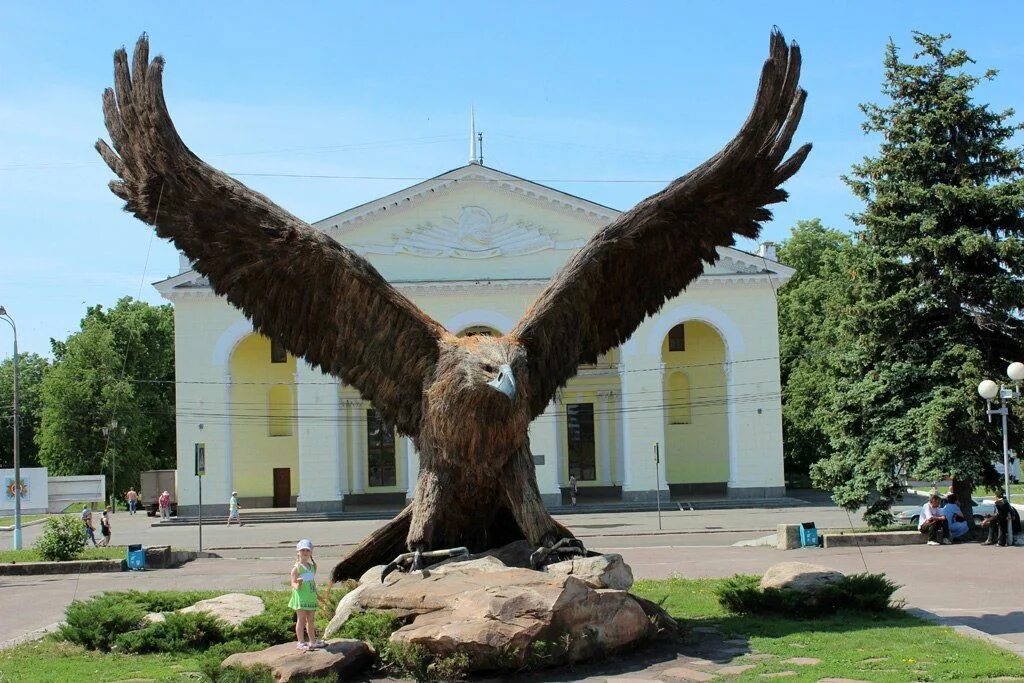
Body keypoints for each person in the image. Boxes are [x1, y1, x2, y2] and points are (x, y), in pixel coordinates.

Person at [288, 539, 325, 650]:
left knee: (311, 620)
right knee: (301, 619)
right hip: (301, 597)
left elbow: (311, 582)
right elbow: (293, 583)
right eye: (302, 550)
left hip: (310, 596)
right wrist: (298, 585)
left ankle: (312, 641)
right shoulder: (296, 568)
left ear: (311, 552)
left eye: (307, 550)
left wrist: (317, 595)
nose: (305, 552)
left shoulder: (313, 566)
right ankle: (300, 642)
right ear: (298, 552)